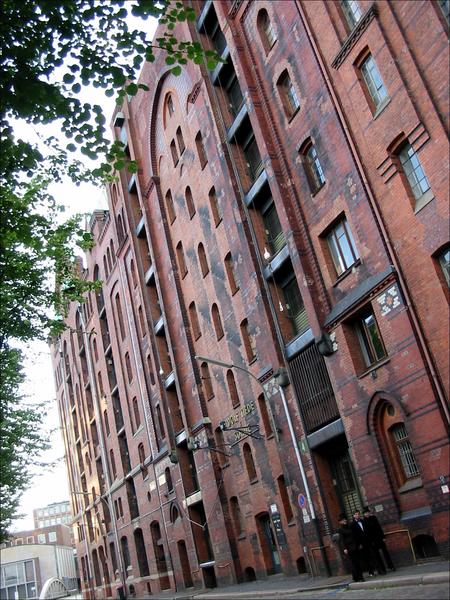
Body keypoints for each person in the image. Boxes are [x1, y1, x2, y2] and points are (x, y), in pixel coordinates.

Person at [351, 509, 385, 576]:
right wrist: (359, 544)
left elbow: (369, 531)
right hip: (361, 544)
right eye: (355, 514)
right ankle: (370, 571)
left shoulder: (363, 521)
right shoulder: (352, 524)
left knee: (374, 556)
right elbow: (354, 536)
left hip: (368, 542)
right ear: (353, 516)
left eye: (358, 514)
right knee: (366, 558)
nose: (357, 515)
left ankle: (379, 570)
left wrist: (371, 540)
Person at [363, 506, 395, 572]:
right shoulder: (364, 521)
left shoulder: (374, 518)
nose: (367, 514)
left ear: (369, 513)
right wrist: (370, 541)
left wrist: (383, 537)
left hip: (379, 538)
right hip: (373, 541)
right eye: (365, 513)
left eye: (367, 512)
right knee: (377, 555)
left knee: (385, 553)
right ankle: (382, 569)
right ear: (364, 514)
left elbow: (379, 528)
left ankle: (391, 566)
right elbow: (366, 533)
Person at [337, 513, 364, 582]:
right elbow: (342, 540)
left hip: (355, 546)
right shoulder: (340, 530)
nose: (344, 521)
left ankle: (361, 576)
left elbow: (356, 535)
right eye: (343, 520)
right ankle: (356, 577)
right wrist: (344, 548)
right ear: (340, 522)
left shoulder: (350, 526)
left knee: (358, 562)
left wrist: (359, 544)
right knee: (353, 563)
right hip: (349, 548)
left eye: (345, 519)